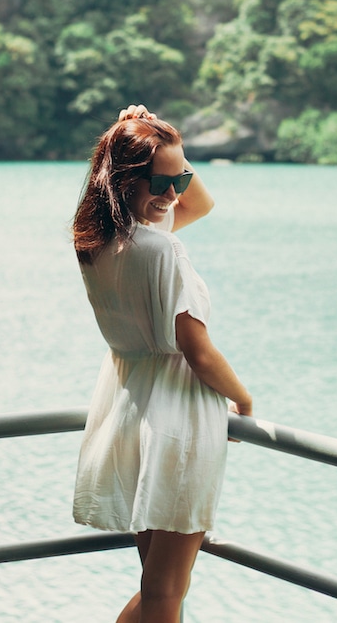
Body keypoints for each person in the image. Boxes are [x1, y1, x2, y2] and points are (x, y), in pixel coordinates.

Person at [71, 104, 253, 623]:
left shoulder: (99, 243)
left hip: (131, 409)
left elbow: (201, 201)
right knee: (167, 589)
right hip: (176, 419)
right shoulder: (161, 250)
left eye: (181, 180)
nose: (174, 195)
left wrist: (159, 145)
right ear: (125, 180)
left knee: (157, 583)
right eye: (160, 182)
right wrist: (242, 398)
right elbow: (197, 351)